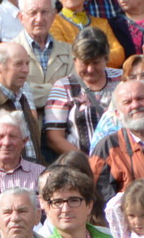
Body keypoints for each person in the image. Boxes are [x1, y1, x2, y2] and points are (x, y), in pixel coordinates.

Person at [43, 28, 120, 159]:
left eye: (96, 63)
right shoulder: (63, 87)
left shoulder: (122, 80)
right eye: (85, 63)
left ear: (106, 59)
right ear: (75, 60)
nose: (90, 69)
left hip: (122, 163)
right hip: (83, 165)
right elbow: (54, 138)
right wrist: (89, 162)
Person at [51, 0, 126, 68]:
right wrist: (100, 59)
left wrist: (85, 58)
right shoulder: (53, 23)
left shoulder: (102, 24)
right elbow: (65, 57)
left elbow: (119, 54)